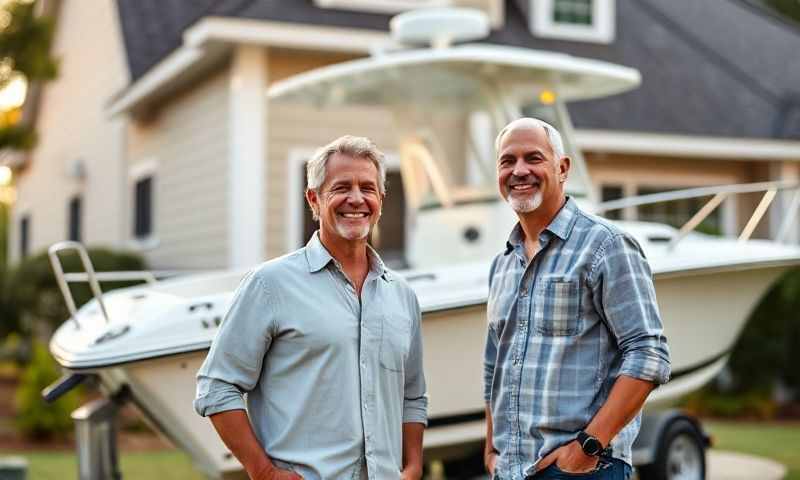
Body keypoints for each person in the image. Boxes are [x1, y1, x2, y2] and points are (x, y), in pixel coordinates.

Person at [194, 135, 427, 480]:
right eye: (341, 187)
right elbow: (216, 387)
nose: (356, 199)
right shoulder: (269, 284)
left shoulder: (402, 295)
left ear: (380, 200)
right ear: (314, 200)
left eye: (368, 188)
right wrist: (263, 472)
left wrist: (412, 468)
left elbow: (412, 395)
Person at [482, 118, 671, 480]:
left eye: (533, 158)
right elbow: (495, 364)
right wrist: (492, 447)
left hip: (582, 469)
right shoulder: (502, 264)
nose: (519, 170)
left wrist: (588, 447)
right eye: (508, 161)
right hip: (511, 470)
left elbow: (649, 354)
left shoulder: (606, 246)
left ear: (562, 168)